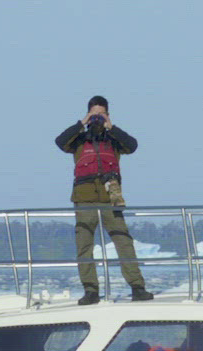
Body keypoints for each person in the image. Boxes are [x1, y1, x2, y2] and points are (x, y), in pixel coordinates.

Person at [55, 95, 153, 305]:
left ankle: (137, 287)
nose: (98, 119)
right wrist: (82, 122)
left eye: (102, 114)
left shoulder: (114, 140)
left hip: (111, 199)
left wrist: (112, 127)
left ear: (108, 115)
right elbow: (60, 142)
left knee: (123, 241)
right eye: (94, 114)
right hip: (84, 199)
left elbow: (132, 145)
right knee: (84, 245)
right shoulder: (79, 140)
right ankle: (91, 291)